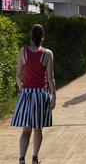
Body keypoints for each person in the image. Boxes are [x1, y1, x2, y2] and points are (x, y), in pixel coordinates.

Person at [11, 24, 56, 164]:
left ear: (31, 37)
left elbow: (18, 76)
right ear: (43, 37)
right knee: (37, 129)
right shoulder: (47, 53)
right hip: (41, 94)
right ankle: (35, 158)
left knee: (26, 130)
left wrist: (22, 89)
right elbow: (50, 78)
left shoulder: (22, 51)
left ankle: (21, 159)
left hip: (27, 93)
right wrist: (53, 95)